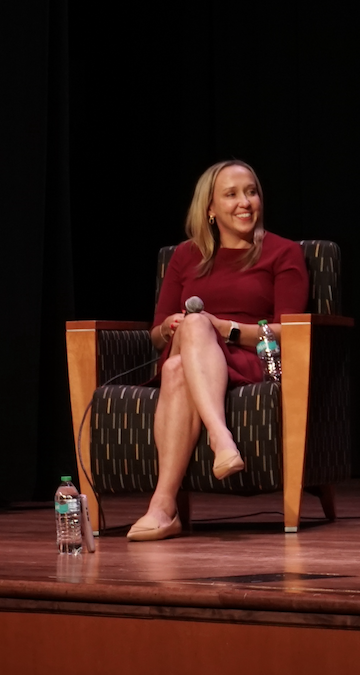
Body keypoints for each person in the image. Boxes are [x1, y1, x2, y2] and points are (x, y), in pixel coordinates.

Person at [127, 160, 308, 542]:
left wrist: (225, 329)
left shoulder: (283, 252)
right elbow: (156, 335)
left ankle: (163, 506)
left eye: (252, 192)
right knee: (186, 336)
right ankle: (219, 437)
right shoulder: (185, 256)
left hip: (251, 358)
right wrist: (170, 326)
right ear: (209, 209)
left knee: (179, 365)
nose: (245, 202)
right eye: (231, 194)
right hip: (192, 353)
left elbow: (289, 332)